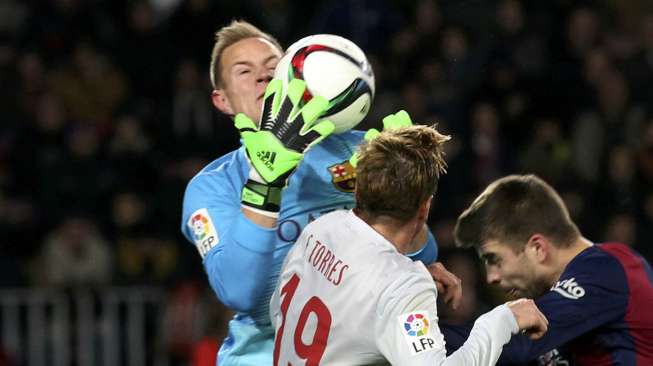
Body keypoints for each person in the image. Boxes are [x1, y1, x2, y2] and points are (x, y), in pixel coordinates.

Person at [180, 20, 444, 365]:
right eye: (244, 71)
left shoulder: (360, 150)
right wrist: (265, 184)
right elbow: (240, 292)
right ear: (222, 100)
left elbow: (423, 253)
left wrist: (404, 197)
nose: (262, 77)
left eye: (272, 68)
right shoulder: (213, 185)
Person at [271, 126, 548, 365]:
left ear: (358, 190)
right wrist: (503, 319)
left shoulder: (321, 228)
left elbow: (280, 312)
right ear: (425, 208)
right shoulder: (403, 287)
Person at [450, 174, 653, 365]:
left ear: (538, 248)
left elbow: (515, 346)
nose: (491, 277)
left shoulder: (608, 269)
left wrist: (420, 331)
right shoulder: (563, 294)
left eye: (494, 259)